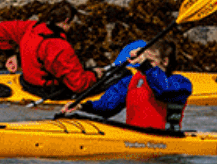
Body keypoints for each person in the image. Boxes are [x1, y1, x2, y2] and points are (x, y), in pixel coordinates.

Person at [61, 38, 192, 133]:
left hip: (165, 142)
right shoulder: (131, 81)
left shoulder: (181, 83)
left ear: (165, 61)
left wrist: (145, 65)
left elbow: (163, 90)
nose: (145, 65)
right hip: (134, 139)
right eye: (145, 61)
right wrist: (82, 106)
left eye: (150, 61)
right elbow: (107, 106)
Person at [0, 0, 103, 100]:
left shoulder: (32, 27)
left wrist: (10, 54)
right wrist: (94, 74)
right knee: (100, 82)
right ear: (66, 20)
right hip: (46, 91)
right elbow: (78, 85)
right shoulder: (60, 47)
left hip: (26, 83)